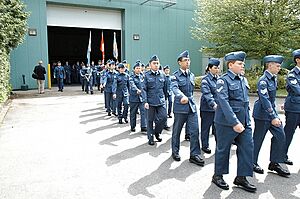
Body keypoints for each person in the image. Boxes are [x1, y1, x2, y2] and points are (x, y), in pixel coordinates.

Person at [212, 51, 256, 192]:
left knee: (247, 148)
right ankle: (218, 175)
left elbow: (244, 102)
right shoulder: (223, 80)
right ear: (231, 65)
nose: (243, 65)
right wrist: (234, 122)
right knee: (223, 149)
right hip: (227, 122)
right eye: (240, 63)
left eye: (243, 63)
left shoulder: (243, 79)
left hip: (244, 121)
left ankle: (241, 177)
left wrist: (245, 121)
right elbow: (223, 102)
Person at [252, 55, 290, 177]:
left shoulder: (273, 78)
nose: (279, 68)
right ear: (270, 65)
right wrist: (273, 116)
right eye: (278, 66)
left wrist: (275, 114)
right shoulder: (263, 80)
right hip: (262, 115)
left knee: (280, 136)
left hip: (271, 113)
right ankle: (252, 163)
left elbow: (272, 100)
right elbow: (265, 99)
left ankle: (274, 162)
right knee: (257, 140)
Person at [170, 50, 204, 166]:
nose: (188, 62)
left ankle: (194, 154)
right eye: (185, 60)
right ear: (179, 62)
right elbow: (175, 88)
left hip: (191, 106)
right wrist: (181, 96)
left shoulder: (191, 75)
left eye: (189, 60)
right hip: (180, 107)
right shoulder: (175, 76)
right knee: (177, 131)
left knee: (194, 131)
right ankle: (175, 151)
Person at [144, 55, 167, 145]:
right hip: (150, 101)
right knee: (150, 120)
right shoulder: (146, 75)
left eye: (157, 63)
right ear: (150, 65)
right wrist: (145, 101)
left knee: (163, 117)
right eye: (154, 63)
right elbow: (144, 89)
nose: (156, 65)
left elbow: (165, 88)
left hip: (161, 101)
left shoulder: (162, 74)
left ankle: (157, 132)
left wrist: (165, 98)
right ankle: (150, 136)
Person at [283, 49, 300, 166]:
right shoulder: (292, 74)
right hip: (293, 108)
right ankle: (281, 155)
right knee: (288, 133)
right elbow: (297, 90)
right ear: (298, 60)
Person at [200, 58, 220, 154]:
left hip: (217, 109)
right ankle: (205, 145)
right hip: (207, 108)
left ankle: (219, 146)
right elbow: (207, 94)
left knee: (217, 129)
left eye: (218, 68)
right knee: (205, 128)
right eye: (215, 68)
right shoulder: (205, 80)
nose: (217, 70)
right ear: (210, 68)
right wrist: (213, 104)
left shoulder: (219, 79)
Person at [129, 62, 147, 132]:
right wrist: (136, 89)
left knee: (143, 112)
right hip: (134, 98)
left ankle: (143, 126)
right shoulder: (131, 77)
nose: (139, 69)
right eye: (137, 68)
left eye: (139, 68)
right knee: (133, 113)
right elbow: (132, 84)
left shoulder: (143, 76)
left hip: (142, 97)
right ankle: (133, 126)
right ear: (134, 69)